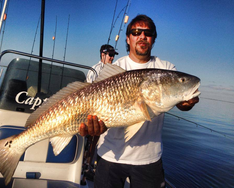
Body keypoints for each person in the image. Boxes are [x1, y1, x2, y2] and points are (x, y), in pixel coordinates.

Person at [80, 15, 199, 188]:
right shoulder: (115, 69)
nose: (142, 36)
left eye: (148, 33)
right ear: (128, 39)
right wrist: (91, 127)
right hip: (110, 156)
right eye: (136, 32)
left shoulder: (166, 68)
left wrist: (185, 102)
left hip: (149, 159)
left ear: (153, 39)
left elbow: (181, 103)